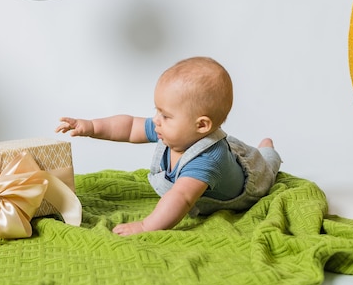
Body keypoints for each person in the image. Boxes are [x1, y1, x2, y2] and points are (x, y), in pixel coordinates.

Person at [55, 56, 281, 236]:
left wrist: (146, 226)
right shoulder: (174, 130)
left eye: (165, 115)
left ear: (201, 125)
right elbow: (130, 126)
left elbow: (181, 197)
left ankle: (266, 148)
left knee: (266, 165)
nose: (156, 119)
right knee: (236, 151)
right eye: (157, 111)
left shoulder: (208, 161)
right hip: (227, 151)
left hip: (251, 176)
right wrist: (91, 127)